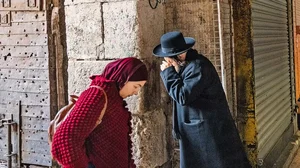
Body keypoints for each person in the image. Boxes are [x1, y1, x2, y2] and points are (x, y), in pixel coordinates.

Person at [152, 31, 251, 168]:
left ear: (180, 55)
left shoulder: (198, 67)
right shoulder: (187, 65)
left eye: (169, 58)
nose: (166, 61)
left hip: (207, 131)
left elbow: (183, 96)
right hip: (198, 129)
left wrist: (168, 73)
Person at [51, 57, 148, 168]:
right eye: (136, 86)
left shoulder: (115, 99)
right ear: (123, 78)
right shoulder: (97, 95)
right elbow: (65, 139)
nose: (136, 92)